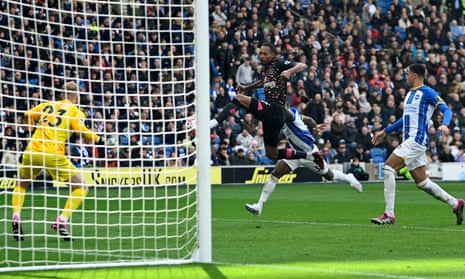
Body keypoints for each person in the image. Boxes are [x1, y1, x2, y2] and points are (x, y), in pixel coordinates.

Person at [371, 64, 464, 225]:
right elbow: (404, 119)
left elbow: (446, 110)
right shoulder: (410, 94)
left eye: (407, 74)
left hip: (416, 140)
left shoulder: (427, 92)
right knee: (422, 182)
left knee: (388, 168)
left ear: (414, 75)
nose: (406, 77)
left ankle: (389, 214)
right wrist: (385, 131)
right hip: (410, 140)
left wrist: (445, 124)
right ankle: (456, 204)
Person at [11, 81, 105, 241]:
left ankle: (16, 216)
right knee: (81, 186)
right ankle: (62, 220)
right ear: (76, 96)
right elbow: (80, 130)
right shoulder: (75, 111)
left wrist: (30, 128)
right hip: (53, 154)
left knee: (21, 184)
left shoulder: (47, 105)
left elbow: (27, 115)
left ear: (62, 94)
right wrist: (99, 140)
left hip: (32, 150)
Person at [245, 107, 363, 217]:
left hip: (311, 154)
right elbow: (309, 119)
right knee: (275, 174)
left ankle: (349, 178)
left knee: (329, 176)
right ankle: (259, 206)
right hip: (295, 154)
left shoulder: (290, 114)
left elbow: (288, 114)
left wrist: (276, 108)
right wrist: (315, 126)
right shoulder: (286, 117)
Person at [210, 42, 309, 161]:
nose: (261, 56)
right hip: (273, 116)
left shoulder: (279, 64)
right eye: (260, 53)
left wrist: (289, 71)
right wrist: (247, 87)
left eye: (265, 54)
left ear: (272, 55)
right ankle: (308, 155)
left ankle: (213, 123)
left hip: (275, 109)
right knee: (272, 154)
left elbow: (303, 65)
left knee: (239, 99)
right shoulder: (265, 69)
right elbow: (262, 82)